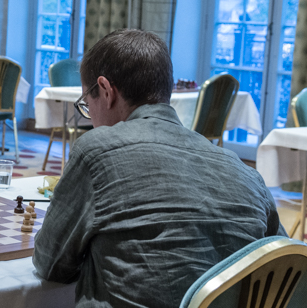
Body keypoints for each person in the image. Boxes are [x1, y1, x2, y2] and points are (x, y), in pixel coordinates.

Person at [32, 29, 287, 307]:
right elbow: (288, 261)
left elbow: (51, 263)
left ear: (105, 91)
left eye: (86, 105)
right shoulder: (248, 175)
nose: (89, 116)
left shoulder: (97, 150)